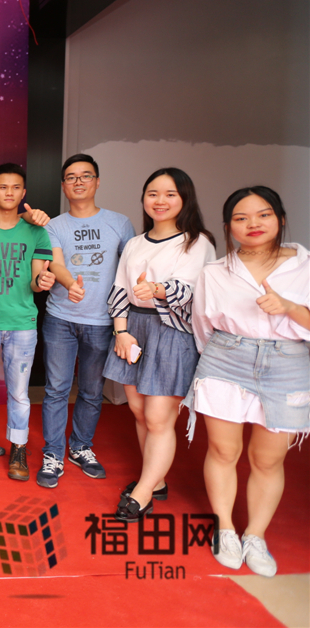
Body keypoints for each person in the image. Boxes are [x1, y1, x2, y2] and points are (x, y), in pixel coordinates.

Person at [184, 186, 309, 576]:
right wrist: (221, 357)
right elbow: (202, 326)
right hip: (225, 359)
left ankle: (255, 534)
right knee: (223, 451)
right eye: (241, 218)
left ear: (281, 219)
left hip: (288, 363)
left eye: (263, 215)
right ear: (228, 227)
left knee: (268, 459)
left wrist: (290, 308)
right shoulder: (215, 271)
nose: (253, 223)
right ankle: (225, 527)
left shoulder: (304, 265)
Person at [104, 167, 216, 522]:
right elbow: (119, 290)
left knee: (157, 417)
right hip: (133, 329)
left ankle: (142, 492)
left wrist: (157, 289)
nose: (160, 201)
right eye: (153, 193)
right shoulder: (135, 244)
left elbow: (192, 292)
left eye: (170, 194)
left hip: (172, 330)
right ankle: (157, 480)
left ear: (185, 199)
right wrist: (121, 332)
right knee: (139, 411)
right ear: (144, 199)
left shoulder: (197, 243)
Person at [37, 154, 135, 489]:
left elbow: (130, 268)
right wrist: (69, 284)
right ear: (63, 186)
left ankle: (81, 447)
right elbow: (56, 263)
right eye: (71, 177)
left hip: (101, 321)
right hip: (60, 319)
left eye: (86, 175)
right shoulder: (54, 226)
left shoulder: (119, 223)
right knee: (57, 389)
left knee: (92, 391)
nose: (78, 182)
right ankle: (53, 453)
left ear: (97, 181)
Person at [0, 164, 55, 482]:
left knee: (19, 393)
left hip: (21, 323)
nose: (9, 193)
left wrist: (42, 282)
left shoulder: (37, 232)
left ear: (23, 192)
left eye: (16, 187)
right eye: (3, 187)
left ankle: (18, 449)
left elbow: (36, 282)